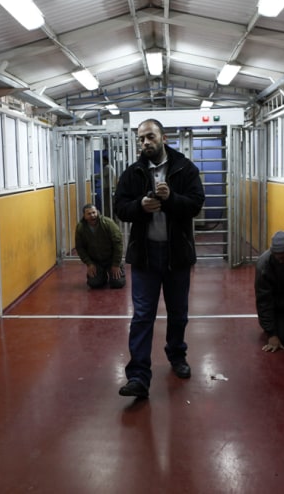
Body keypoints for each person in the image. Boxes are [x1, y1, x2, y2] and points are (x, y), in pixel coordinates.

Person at [114, 118, 205, 398]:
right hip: (145, 256)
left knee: (178, 313)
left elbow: (196, 203)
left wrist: (172, 198)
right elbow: (120, 207)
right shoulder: (133, 172)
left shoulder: (184, 168)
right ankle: (139, 376)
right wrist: (140, 206)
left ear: (163, 137)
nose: (145, 143)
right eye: (141, 139)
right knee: (142, 316)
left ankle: (177, 355)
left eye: (150, 137)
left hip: (176, 255)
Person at [75, 203, 126, 289]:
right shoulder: (80, 228)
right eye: (89, 214)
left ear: (97, 212)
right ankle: (102, 276)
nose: (92, 215)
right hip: (95, 261)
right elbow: (80, 247)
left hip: (111, 259)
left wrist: (116, 264)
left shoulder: (108, 223)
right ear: (84, 216)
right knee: (94, 284)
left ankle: (119, 270)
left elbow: (118, 244)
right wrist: (89, 263)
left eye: (94, 212)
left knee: (118, 283)